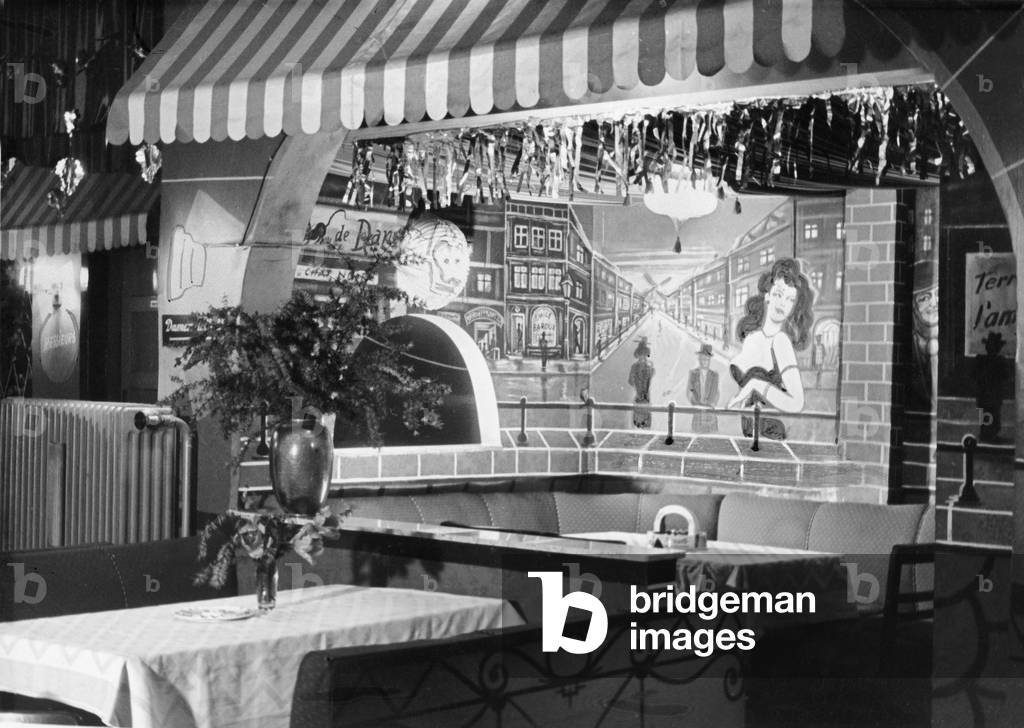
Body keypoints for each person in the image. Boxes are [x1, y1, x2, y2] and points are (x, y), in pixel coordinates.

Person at [727, 258, 815, 440]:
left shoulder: (781, 342)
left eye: (790, 300)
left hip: (769, 437)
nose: (782, 303)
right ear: (767, 295)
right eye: (779, 294)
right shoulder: (752, 337)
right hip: (749, 437)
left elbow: (797, 403)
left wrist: (756, 385)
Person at [687, 343, 719, 433]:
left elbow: (714, 392)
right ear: (699, 359)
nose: (704, 361)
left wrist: (708, 405)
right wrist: (696, 404)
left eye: (706, 359)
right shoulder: (693, 373)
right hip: (698, 413)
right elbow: (690, 391)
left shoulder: (714, 375)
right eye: (702, 359)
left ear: (709, 361)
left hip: (709, 413)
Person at [628, 337, 654, 429]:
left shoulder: (649, 367)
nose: (642, 357)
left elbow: (651, 378)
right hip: (639, 396)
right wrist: (636, 385)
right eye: (641, 355)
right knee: (638, 420)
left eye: (644, 355)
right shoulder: (634, 367)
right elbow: (630, 381)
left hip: (646, 397)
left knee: (646, 419)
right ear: (638, 355)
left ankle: (645, 427)